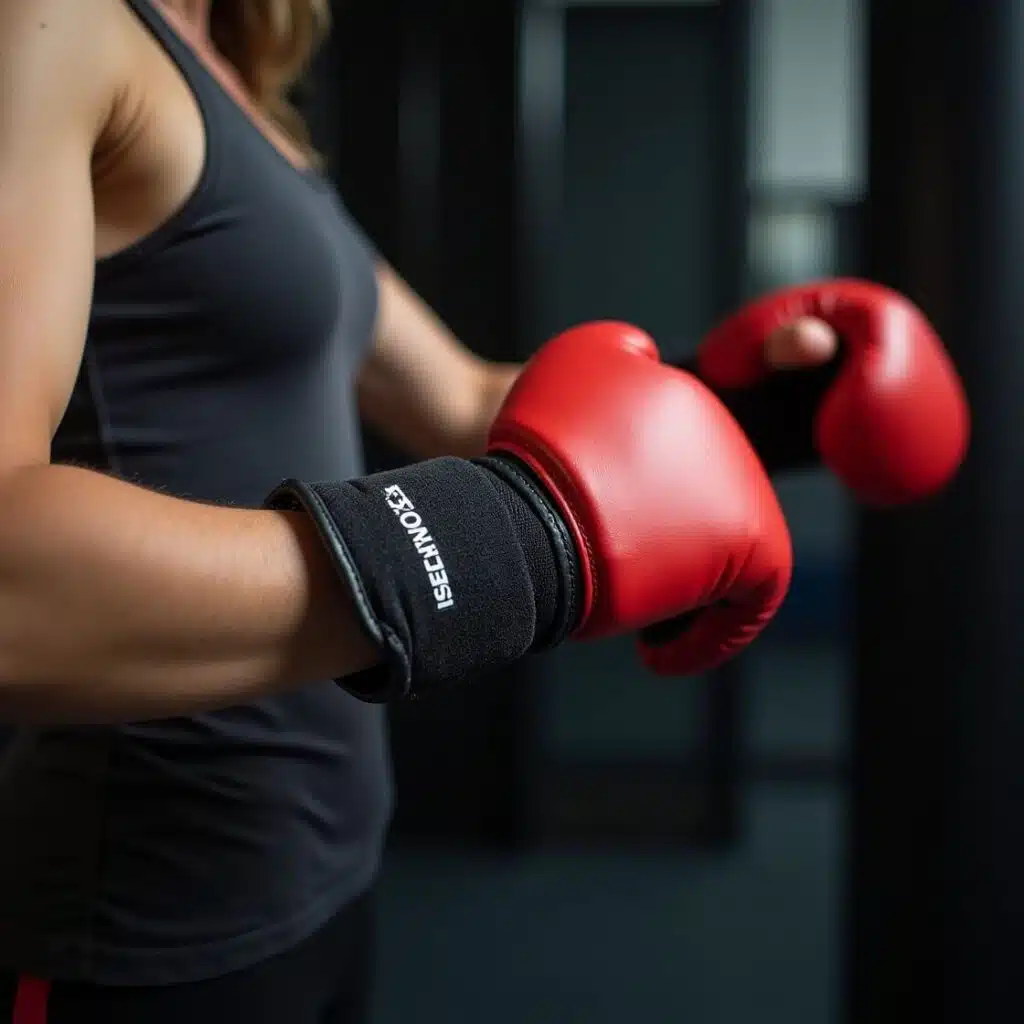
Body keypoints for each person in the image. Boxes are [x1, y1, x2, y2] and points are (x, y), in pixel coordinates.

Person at [0, 1, 966, 1022]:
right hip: (139, 910)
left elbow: (460, 396)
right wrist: (519, 547)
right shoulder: (56, 23)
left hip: (316, 863)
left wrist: (749, 414)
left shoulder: (240, 98)